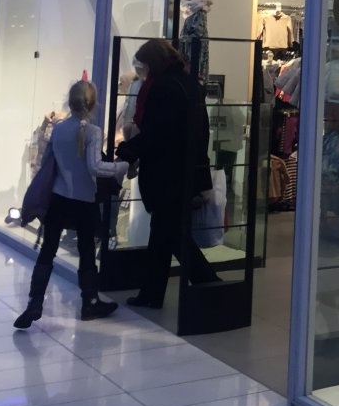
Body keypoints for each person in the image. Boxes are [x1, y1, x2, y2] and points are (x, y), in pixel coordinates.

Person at [14, 81, 127, 329]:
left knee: (48, 250)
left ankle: (34, 302)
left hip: (58, 198)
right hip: (84, 201)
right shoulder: (93, 132)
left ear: (70, 101)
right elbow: (94, 167)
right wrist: (120, 167)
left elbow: (47, 161)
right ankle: (90, 302)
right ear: (93, 103)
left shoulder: (59, 129)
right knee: (86, 250)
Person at [116, 38, 220, 307]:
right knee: (168, 234)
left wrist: (129, 150)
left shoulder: (162, 87)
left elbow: (156, 132)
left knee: (168, 234)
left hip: (166, 172)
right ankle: (192, 288)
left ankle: (209, 286)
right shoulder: (189, 84)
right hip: (184, 170)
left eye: (143, 65)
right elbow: (200, 132)